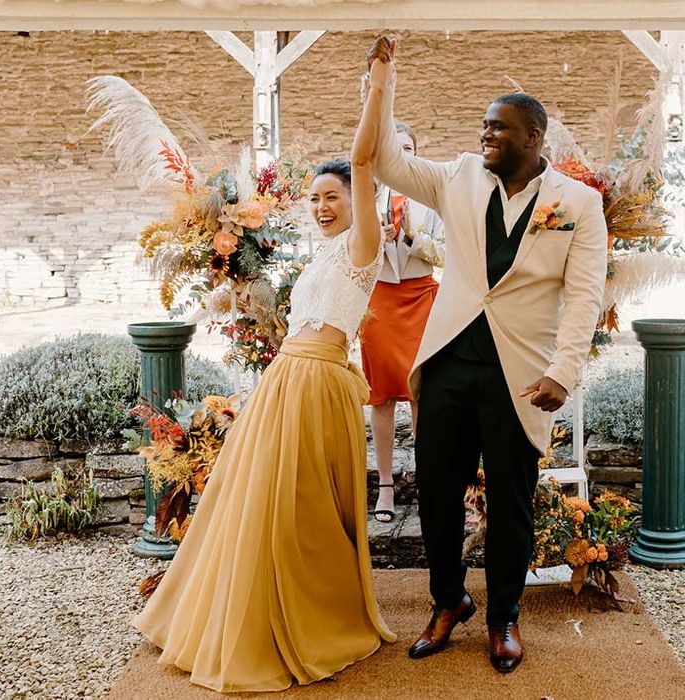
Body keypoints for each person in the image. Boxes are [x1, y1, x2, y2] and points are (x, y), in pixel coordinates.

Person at [133, 52, 396, 693]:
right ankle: (248, 612)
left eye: (332, 196)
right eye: (314, 199)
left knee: (305, 508)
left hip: (323, 380)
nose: (322, 206)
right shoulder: (323, 257)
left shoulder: (366, 247)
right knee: (255, 502)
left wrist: (379, 89)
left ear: (357, 201)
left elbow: (364, 161)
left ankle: (313, 612)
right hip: (284, 380)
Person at [367, 37, 607, 673]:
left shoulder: (579, 206)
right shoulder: (459, 177)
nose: (484, 136)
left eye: (498, 128)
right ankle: (448, 603)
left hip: (521, 377)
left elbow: (583, 297)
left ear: (534, 137)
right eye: (482, 127)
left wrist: (564, 370)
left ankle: (503, 616)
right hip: (447, 363)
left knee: (511, 502)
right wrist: (382, 84)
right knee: (438, 496)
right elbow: (385, 160)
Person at [360, 120, 443, 522]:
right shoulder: (366, 196)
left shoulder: (435, 197)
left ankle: (430, 481)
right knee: (381, 395)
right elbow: (351, 256)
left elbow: (446, 254)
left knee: (422, 395)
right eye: (396, 148)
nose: (403, 156)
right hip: (379, 302)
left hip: (421, 299)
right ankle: (387, 485)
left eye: (409, 149)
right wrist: (379, 236)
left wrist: (411, 236)